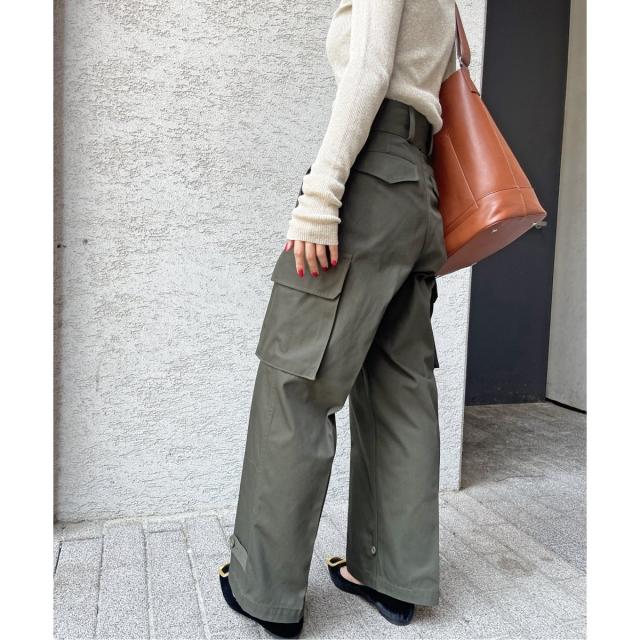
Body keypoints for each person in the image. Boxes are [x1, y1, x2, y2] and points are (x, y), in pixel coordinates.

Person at [219, 1, 457, 636]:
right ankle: (392, 576)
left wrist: (320, 198)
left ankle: (264, 590)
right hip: (418, 191)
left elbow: (370, 69)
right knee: (401, 387)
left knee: (296, 379)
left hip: (371, 179)